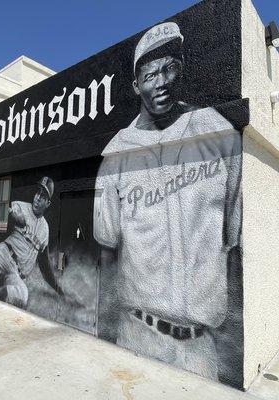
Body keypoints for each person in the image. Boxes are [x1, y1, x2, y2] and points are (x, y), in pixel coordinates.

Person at [93, 22, 241, 380]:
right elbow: (107, 251)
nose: (160, 82)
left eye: (169, 68)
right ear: (135, 86)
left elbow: (232, 244)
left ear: (182, 69)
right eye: (148, 75)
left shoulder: (219, 133)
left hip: (201, 347)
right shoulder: (117, 152)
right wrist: (103, 338)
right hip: (137, 334)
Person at [0, 177, 62, 309]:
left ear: (48, 203)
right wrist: (13, 215)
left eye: (43, 196)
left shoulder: (45, 229)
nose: (37, 198)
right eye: (37, 193)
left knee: (22, 296)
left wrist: (58, 288)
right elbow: (10, 216)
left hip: (16, 273)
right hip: (4, 256)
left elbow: (44, 264)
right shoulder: (20, 206)